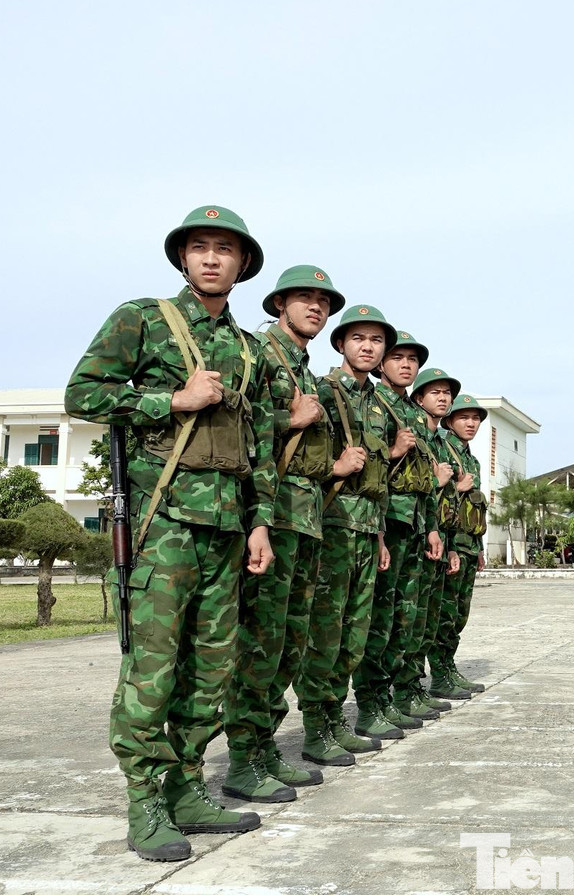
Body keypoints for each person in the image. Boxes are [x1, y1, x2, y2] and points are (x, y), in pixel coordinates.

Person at [65, 205, 276, 861]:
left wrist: (261, 519)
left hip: (225, 530)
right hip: (163, 525)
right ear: (183, 258)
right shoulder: (144, 317)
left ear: (242, 265)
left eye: (225, 249)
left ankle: (187, 786)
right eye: (200, 247)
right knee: (151, 672)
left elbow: (259, 438)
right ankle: (146, 799)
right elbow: (83, 393)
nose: (212, 258)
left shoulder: (248, 349)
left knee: (211, 671)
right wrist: (169, 401)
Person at [223, 266, 343, 799]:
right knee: (261, 642)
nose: (315, 308)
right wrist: (289, 424)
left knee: (289, 643)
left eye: (323, 301)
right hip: (275, 512)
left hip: (308, 517)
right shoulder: (260, 355)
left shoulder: (305, 370)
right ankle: (243, 760)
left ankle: (266, 747)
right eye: (304, 299)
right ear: (278, 305)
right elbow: (237, 428)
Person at [296, 304, 397, 752]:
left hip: (366, 529)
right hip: (332, 526)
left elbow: (381, 481)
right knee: (325, 630)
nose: (368, 347)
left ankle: (336, 718)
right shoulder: (321, 391)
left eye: (376, 341)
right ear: (340, 344)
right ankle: (316, 726)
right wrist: (333, 469)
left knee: (355, 632)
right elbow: (295, 458)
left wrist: (379, 537)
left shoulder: (378, 405)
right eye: (358, 338)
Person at [352, 331, 445, 730]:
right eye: (398, 358)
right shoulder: (371, 403)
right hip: (383, 523)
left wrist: (432, 528)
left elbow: (421, 481)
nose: (406, 365)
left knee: (402, 619)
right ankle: (371, 702)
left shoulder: (409, 413)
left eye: (413, 360)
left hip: (412, 524)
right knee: (377, 619)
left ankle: (395, 693)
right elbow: (366, 471)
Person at [410, 368, 470, 703]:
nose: (443, 397)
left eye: (446, 392)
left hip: (442, 539)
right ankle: (406, 690)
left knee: (434, 618)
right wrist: (444, 483)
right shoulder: (421, 439)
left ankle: (431, 679)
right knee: (409, 619)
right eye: (435, 392)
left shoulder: (441, 446)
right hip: (412, 536)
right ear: (419, 399)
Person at [431, 393, 491, 695]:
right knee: (444, 613)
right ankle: (440, 675)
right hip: (450, 544)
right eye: (464, 417)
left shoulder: (472, 460)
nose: (471, 423)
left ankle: (448, 667)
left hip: (469, 545)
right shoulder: (442, 451)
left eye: (476, 418)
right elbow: (438, 499)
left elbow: (473, 509)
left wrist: (479, 547)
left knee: (459, 614)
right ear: (450, 420)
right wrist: (456, 486)